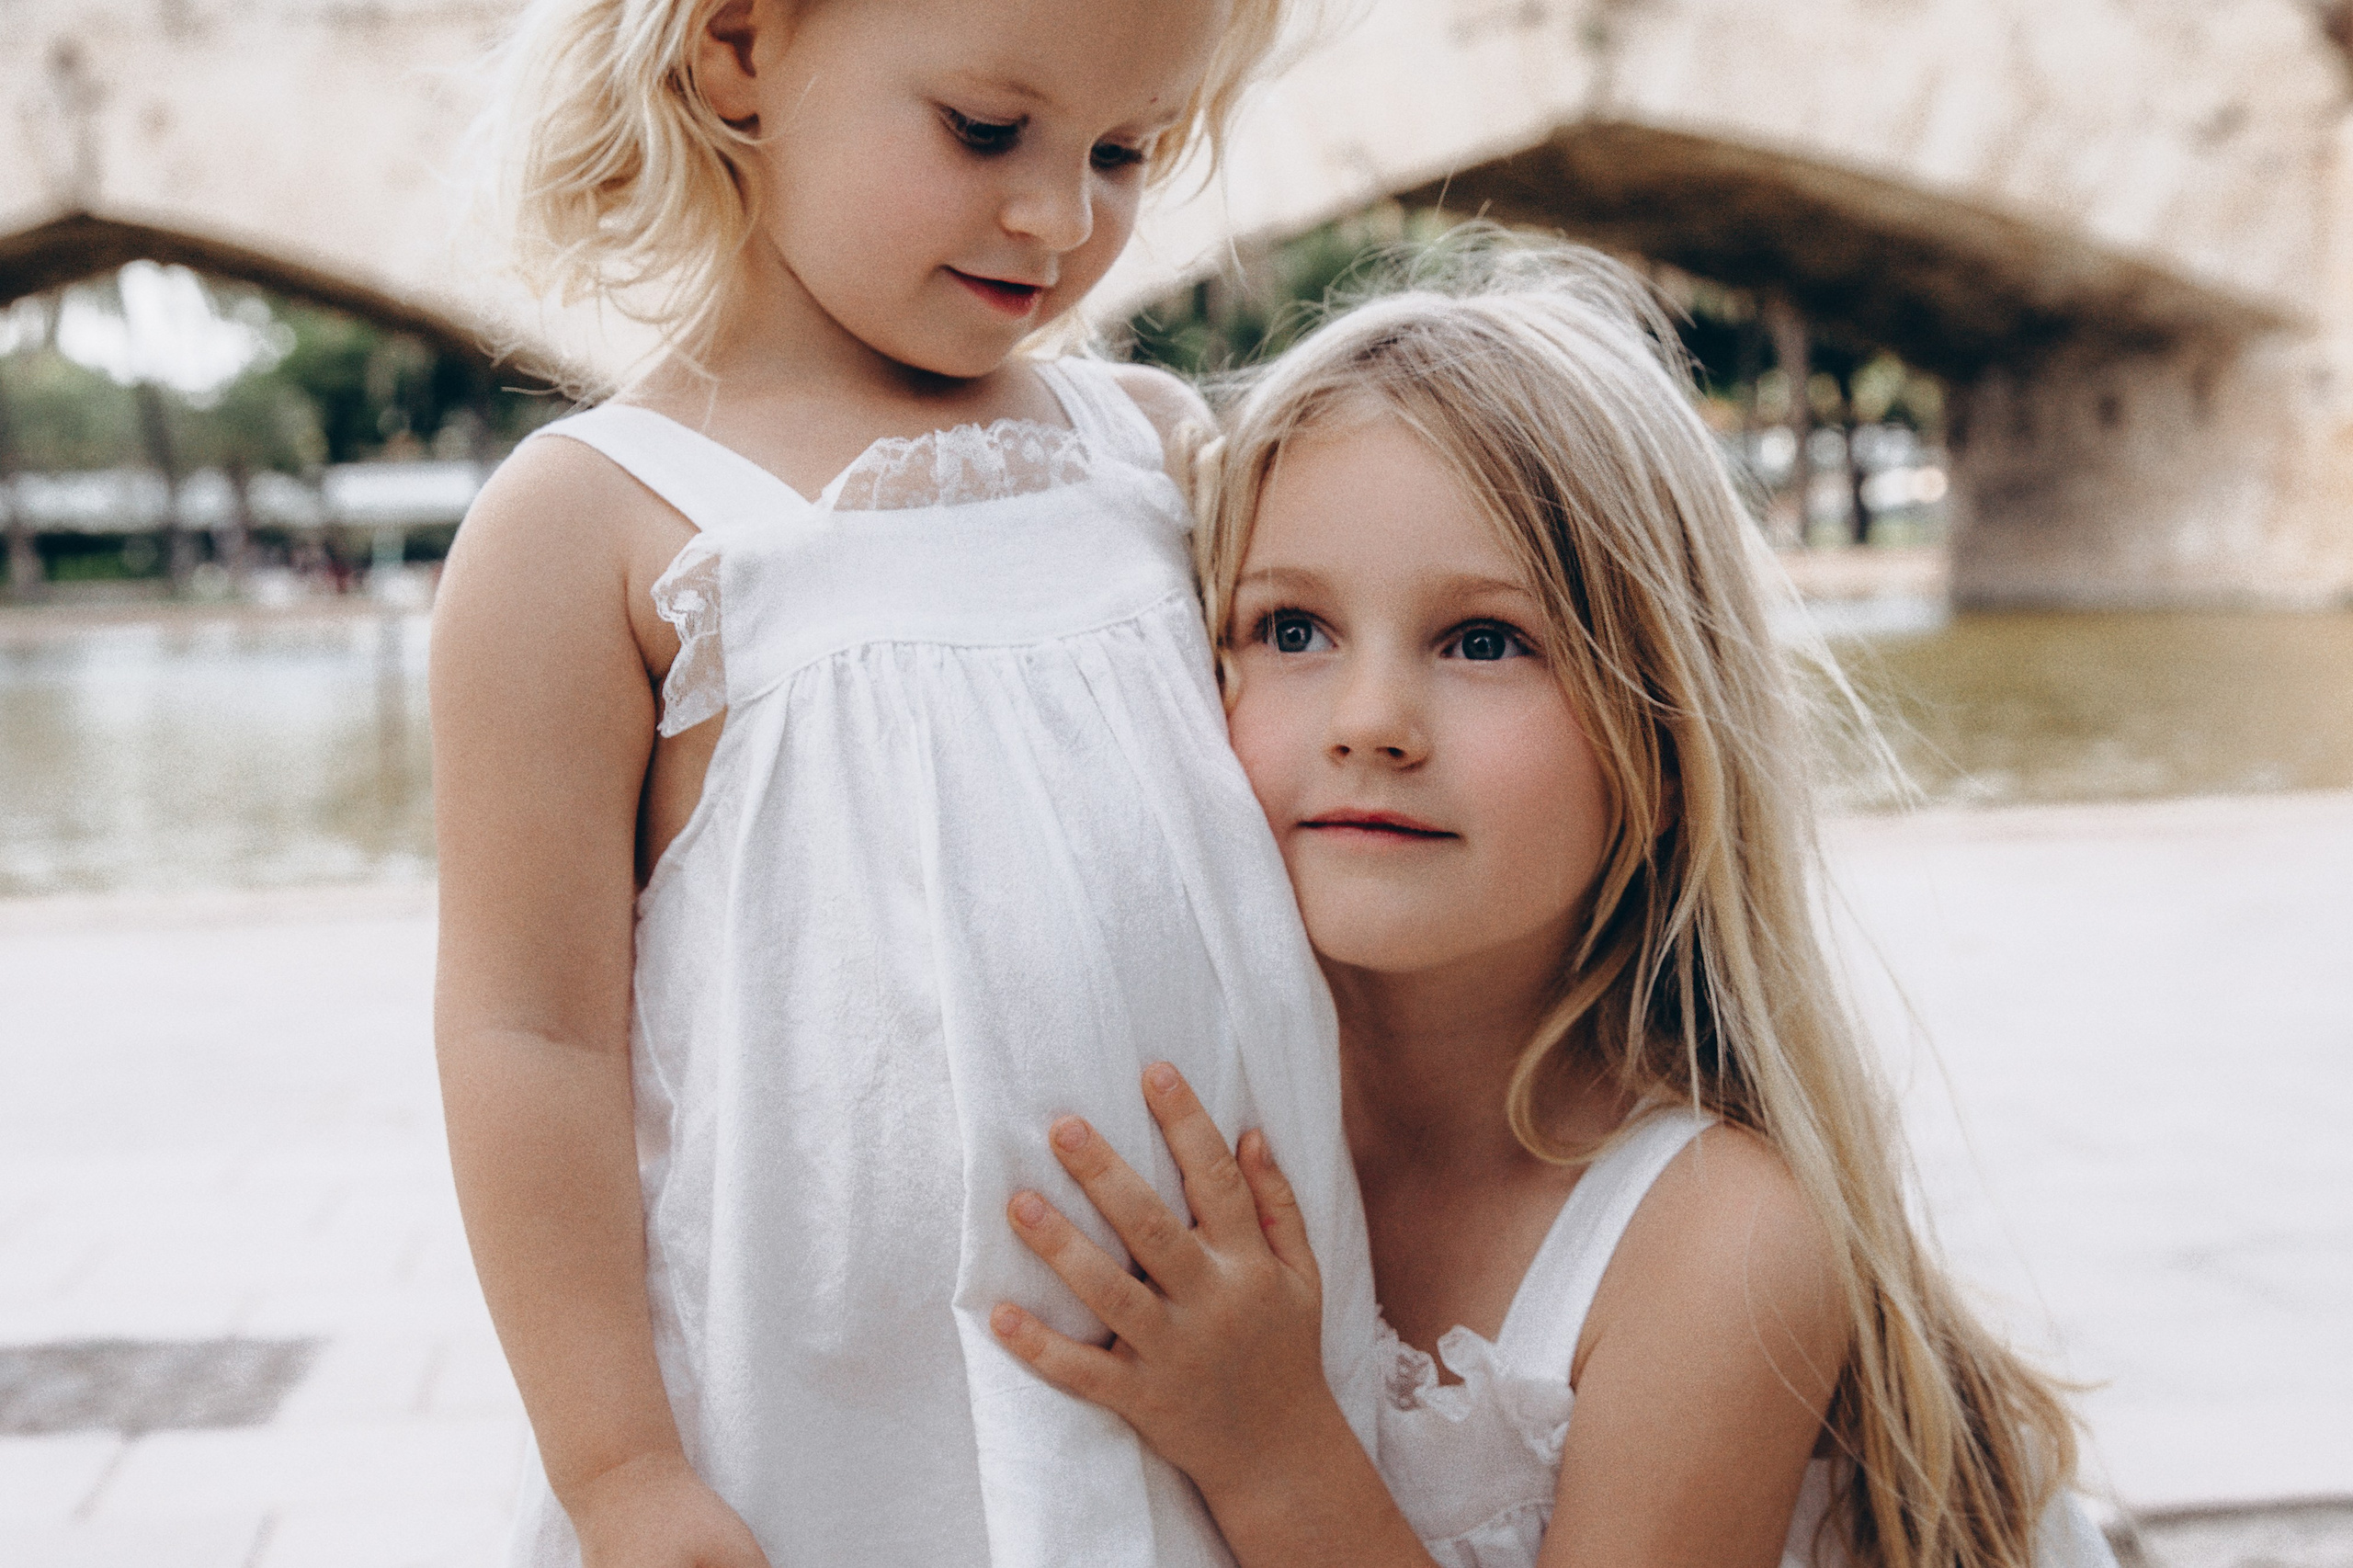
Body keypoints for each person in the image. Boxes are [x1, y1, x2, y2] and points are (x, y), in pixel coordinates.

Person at [990, 237, 2120, 1568]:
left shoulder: (1718, 1235)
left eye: (1484, 641)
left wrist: (1270, 1446)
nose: (1369, 723)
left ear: (1660, 734)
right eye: (1291, 629)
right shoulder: (1208, 1097)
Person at [427, 2, 1381, 1564]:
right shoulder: (597, 529)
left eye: (1123, 152)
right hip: (827, 1441)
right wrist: (617, 1468)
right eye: (987, 132)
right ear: (739, 51)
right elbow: (525, 1030)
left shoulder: (1150, 453)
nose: (1058, 218)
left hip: (1213, 1420)